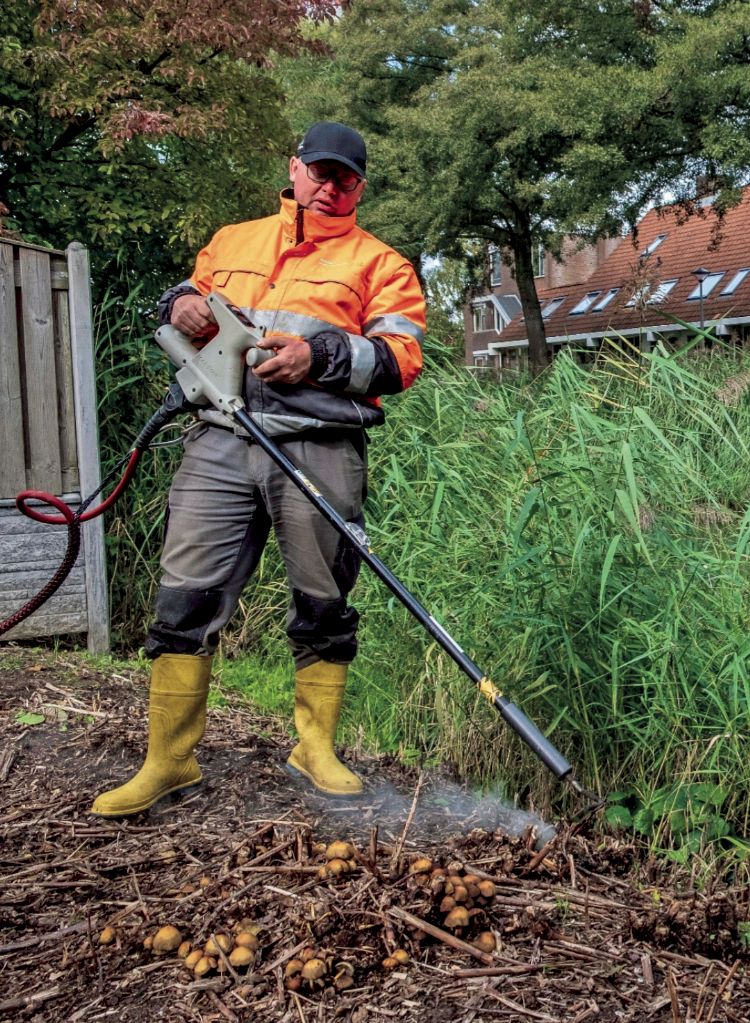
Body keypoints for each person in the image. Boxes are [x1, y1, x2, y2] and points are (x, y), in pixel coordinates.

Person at [91, 121, 426, 816]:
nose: (331, 187)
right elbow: (186, 297)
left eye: (346, 178)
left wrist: (320, 357)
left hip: (319, 443)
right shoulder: (234, 238)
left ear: (360, 186)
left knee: (323, 599)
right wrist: (181, 304)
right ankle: (168, 760)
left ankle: (315, 748)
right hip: (219, 435)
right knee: (185, 595)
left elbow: (400, 359)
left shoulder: (381, 264)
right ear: (294, 168)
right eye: (321, 172)